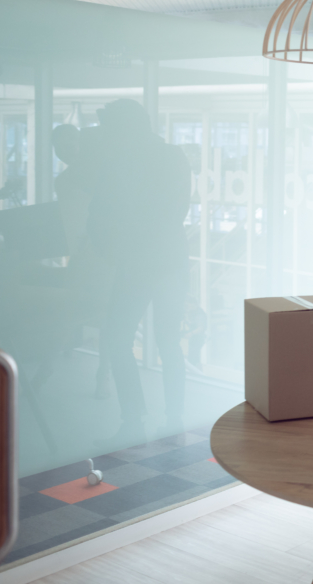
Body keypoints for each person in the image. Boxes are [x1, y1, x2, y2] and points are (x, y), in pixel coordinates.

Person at [89, 99, 191, 446]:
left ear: (126, 128)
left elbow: (99, 214)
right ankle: (170, 420)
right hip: (164, 262)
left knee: (122, 339)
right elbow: (173, 212)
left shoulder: (120, 161)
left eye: (111, 127)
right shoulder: (170, 157)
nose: (107, 134)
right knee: (166, 342)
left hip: (142, 263)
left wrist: (112, 249)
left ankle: (137, 420)